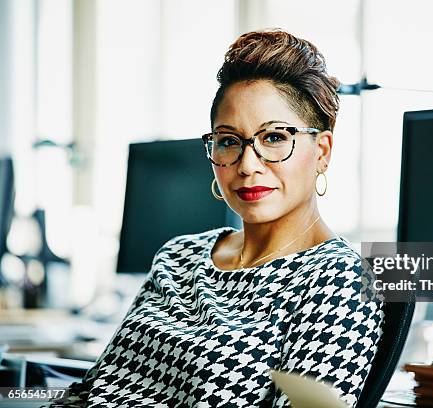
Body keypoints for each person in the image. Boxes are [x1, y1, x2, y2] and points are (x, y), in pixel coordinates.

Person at [47, 29, 384, 407]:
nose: (247, 165)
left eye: (274, 138)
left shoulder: (341, 281)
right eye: (229, 141)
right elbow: (89, 391)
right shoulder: (178, 257)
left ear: (322, 151)